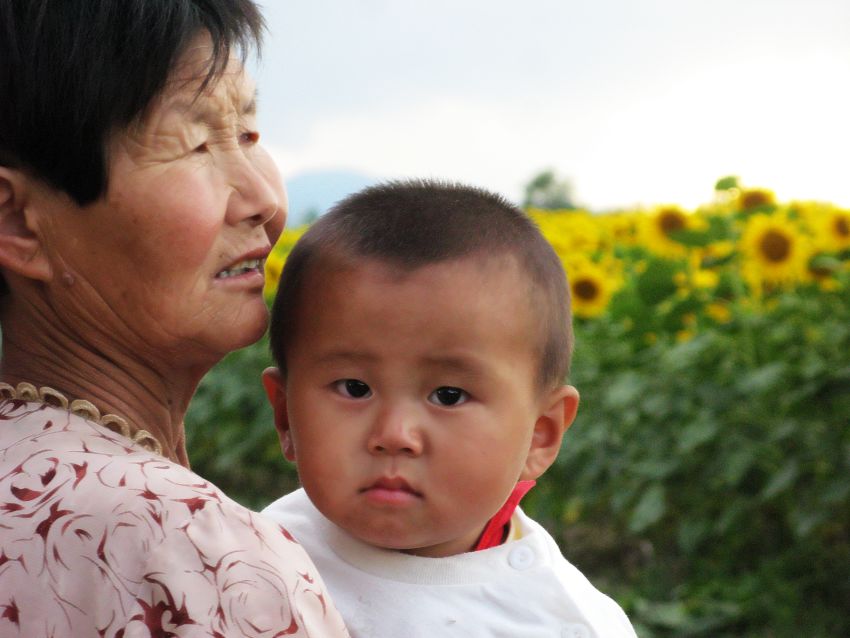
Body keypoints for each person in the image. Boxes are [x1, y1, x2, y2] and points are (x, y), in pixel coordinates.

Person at [0, 2, 349, 636]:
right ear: (19, 222)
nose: (264, 200)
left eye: (246, 135)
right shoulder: (186, 546)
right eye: (194, 144)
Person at [261, 180, 638, 637]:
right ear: (285, 416)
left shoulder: (567, 622)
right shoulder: (247, 559)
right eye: (355, 388)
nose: (395, 433)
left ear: (540, 434)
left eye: (449, 396)